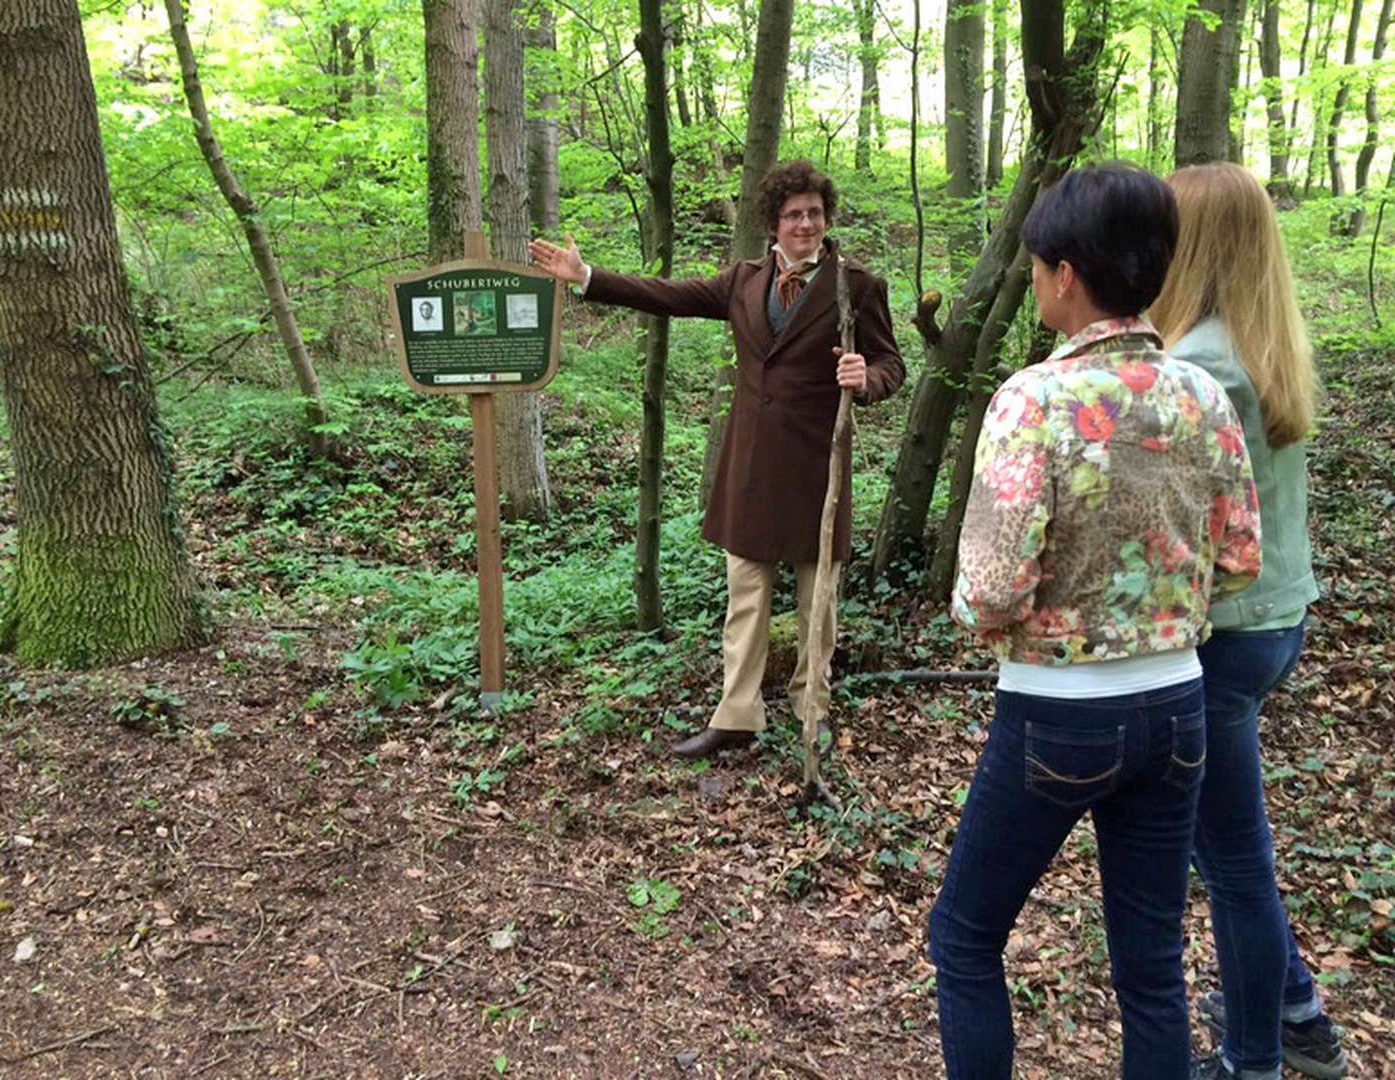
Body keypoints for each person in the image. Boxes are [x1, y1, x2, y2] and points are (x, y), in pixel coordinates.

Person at [928, 163, 1263, 1079]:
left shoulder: (1032, 401)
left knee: (962, 939)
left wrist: (1001, 626)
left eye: (1039, 265)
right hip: (1181, 709)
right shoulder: (1203, 394)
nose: (1035, 279)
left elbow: (991, 591)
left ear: (1066, 275)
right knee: (1152, 967)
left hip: (1056, 714)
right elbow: (1239, 560)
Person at [530, 160, 905, 758]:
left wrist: (867, 378)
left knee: (817, 607)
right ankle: (737, 716)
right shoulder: (744, 281)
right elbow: (669, 296)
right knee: (747, 598)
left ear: (826, 218)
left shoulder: (856, 286)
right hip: (751, 468)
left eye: (813, 212)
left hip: (818, 470)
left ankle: (813, 713)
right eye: (792, 214)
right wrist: (587, 276)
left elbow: (892, 365)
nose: (804, 223)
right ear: (773, 223)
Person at [1148, 162, 1346, 1080]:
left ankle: (1258, 1057)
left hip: (1226, 636)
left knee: (1231, 861)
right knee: (1224, 846)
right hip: (1274, 620)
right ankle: (1294, 1002)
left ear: (1192, 243)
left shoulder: (1197, 366)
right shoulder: (1259, 346)